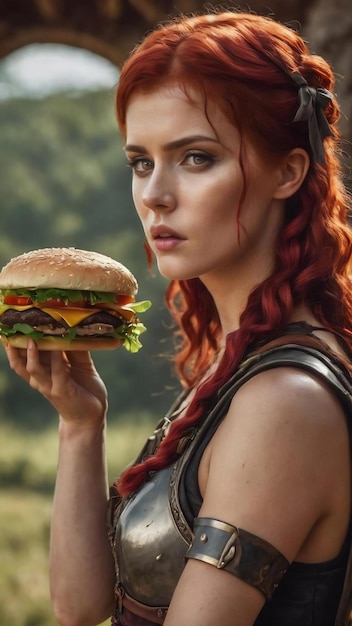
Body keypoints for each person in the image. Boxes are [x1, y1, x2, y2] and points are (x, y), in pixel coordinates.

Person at [4, 8, 352, 626]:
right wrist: (82, 427)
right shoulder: (241, 362)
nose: (154, 194)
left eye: (195, 158)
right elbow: (81, 608)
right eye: (142, 162)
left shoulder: (285, 400)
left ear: (288, 171)